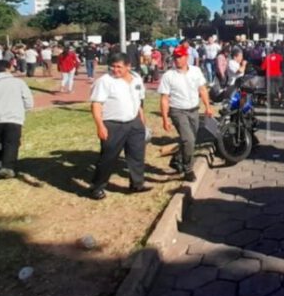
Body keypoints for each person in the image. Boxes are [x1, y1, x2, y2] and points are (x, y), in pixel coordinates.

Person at [88, 53, 148, 200]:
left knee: (137, 155)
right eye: (113, 67)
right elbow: (96, 105)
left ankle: (137, 184)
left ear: (128, 66)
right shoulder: (105, 81)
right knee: (108, 158)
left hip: (134, 123)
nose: (115, 70)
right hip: (113, 125)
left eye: (119, 67)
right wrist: (100, 126)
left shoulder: (137, 79)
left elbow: (139, 101)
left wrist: (142, 121)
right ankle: (97, 187)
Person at [158, 47, 213, 182]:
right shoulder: (169, 76)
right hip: (178, 111)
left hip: (194, 110)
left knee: (191, 139)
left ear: (187, 57)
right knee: (188, 140)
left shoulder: (196, 71)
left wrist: (207, 106)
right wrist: (165, 119)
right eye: (175, 57)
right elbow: (164, 98)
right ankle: (188, 169)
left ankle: (177, 159)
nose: (177, 60)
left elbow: (202, 89)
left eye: (180, 57)